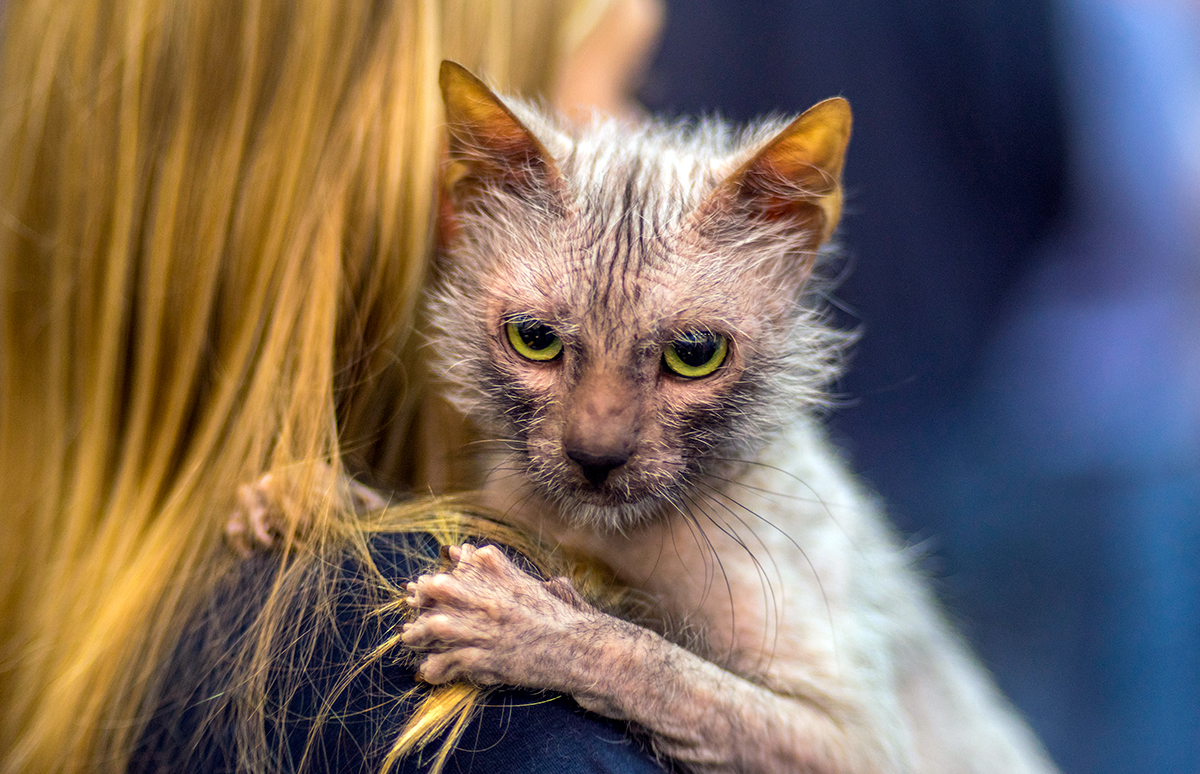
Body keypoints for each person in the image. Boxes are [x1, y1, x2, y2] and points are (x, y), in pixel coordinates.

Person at [0, 0, 667, 771]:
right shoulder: (494, 708)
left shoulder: (92, 627)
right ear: (462, 194)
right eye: (616, 97)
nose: (646, 136)